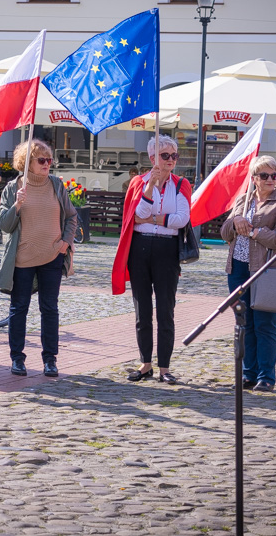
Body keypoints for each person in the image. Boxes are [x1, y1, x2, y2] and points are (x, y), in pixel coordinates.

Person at [111, 136, 191, 385]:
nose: (170, 160)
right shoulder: (138, 182)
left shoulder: (181, 184)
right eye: (164, 156)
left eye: (173, 156)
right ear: (152, 158)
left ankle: (165, 367)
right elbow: (138, 215)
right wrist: (150, 188)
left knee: (165, 309)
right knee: (142, 309)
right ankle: (145, 363)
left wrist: (155, 220)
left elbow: (182, 219)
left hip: (167, 249)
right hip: (140, 247)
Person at [0, 139, 77, 378]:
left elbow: (71, 217)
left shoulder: (56, 185)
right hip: (22, 259)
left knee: (49, 308)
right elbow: (4, 225)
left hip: (52, 256)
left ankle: (50, 359)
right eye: (41, 160)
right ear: (26, 162)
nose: (46, 164)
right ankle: (17, 358)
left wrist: (65, 242)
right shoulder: (14, 188)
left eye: (49, 160)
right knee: (19, 307)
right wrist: (17, 206)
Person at [220, 155, 276, 392]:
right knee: (244, 324)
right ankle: (248, 374)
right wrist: (235, 222)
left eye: (274, 175)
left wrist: (252, 231)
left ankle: (266, 376)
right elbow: (224, 233)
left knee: (265, 324)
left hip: (267, 270)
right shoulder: (243, 200)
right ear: (254, 178)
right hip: (238, 268)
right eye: (264, 175)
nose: (270, 179)